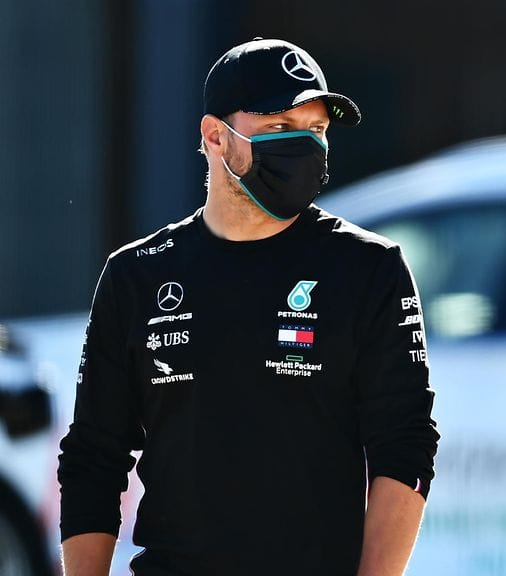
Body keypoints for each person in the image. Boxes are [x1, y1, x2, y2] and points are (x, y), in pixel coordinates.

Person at [58, 38, 439, 576]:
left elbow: (405, 445)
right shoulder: (136, 276)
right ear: (215, 135)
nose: (304, 146)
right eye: (280, 126)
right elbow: (93, 457)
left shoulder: (369, 269)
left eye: (316, 130)